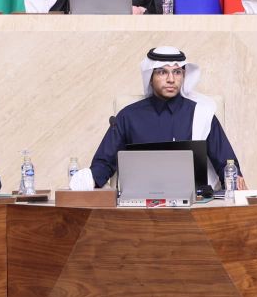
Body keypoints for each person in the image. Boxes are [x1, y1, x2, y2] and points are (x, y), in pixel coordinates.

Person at [91, 46, 245, 192]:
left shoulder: (202, 114)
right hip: (140, 204)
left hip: (194, 204)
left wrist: (235, 187)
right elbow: (103, 164)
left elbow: (228, 165)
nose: (171, 79)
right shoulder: (128, 116)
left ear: (184, 76)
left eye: (177, 72)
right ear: (150, 77)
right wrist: (89, 181)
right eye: (162, 72)